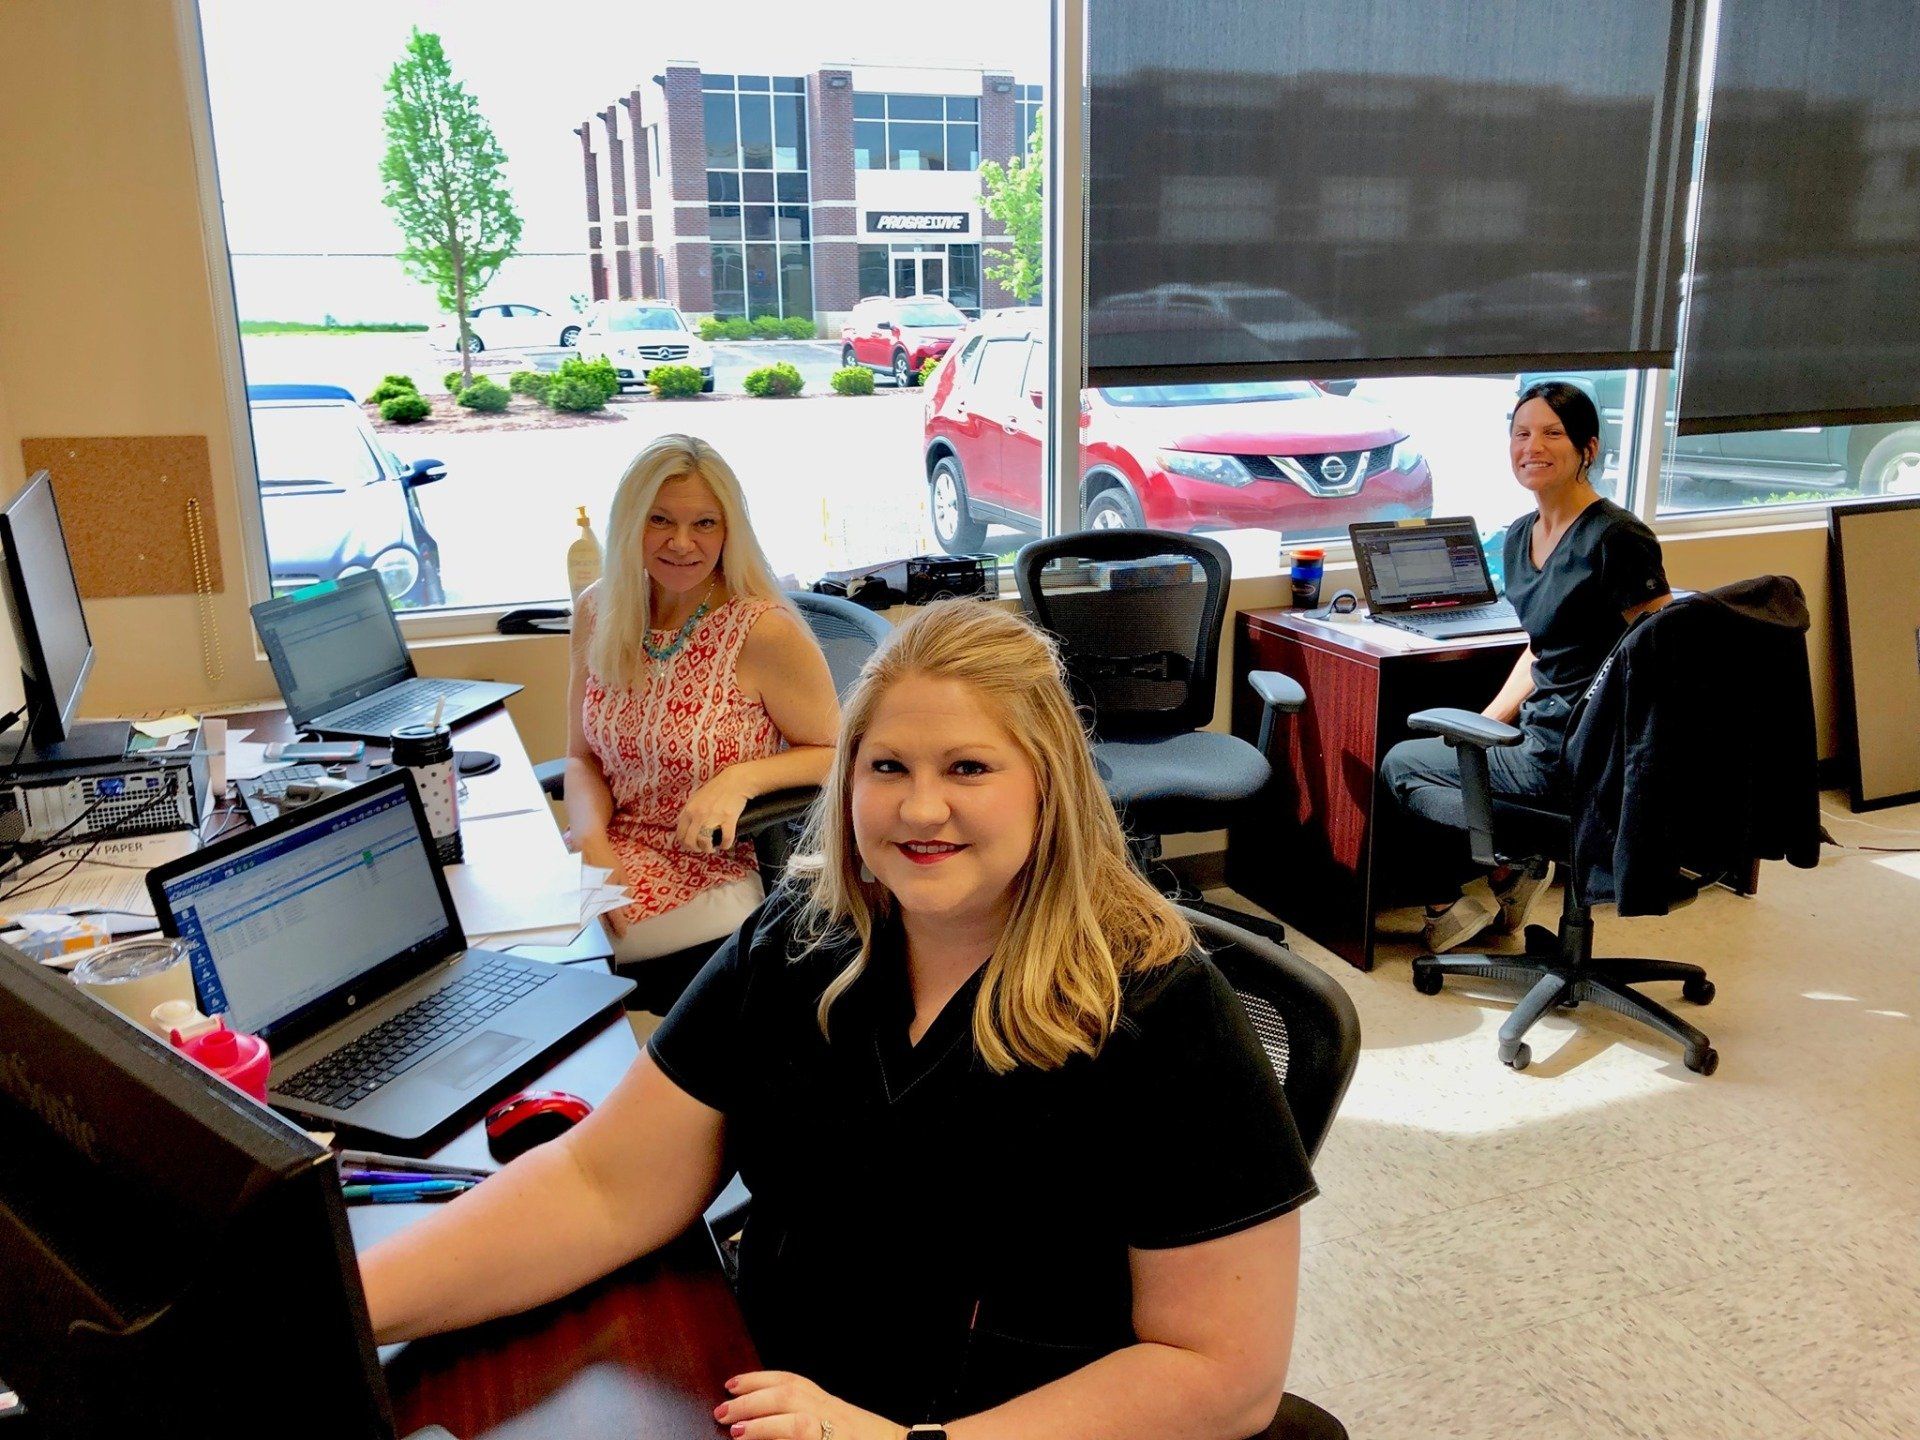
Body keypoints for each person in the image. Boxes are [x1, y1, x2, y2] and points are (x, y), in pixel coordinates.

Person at [364, 601, 1315, 1440]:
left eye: (969, 767)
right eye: (887, 765)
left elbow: (1221, 1378)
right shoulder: (805, 939)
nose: (920, 806)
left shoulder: (1159, 1005)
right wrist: (340, 1307)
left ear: (1047, 785)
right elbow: (604, 1184)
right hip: (779, 1390)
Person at [1381, 380, 1672, 952]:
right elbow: (1542, 649)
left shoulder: (1618, 539)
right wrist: (1483, 723)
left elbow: (1658, 649)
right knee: (1449, 744)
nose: (1531, 446)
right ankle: (1508, 873)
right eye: (1521, 434)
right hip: (1542, 733)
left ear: (1587, 448)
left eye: (1551, 433)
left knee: (1402, 762)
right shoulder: (1520, 537)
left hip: (1583, 752)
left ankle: (1458, 898)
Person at [565, 433, 838, 970]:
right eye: (660, 520)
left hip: (715, 866)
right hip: (609, 846)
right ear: (630, 523)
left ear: (729, 530)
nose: (682, 543)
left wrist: (738, 780)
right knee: (490, 939)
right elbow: (579, 757)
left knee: (561, 968)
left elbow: (842, 753)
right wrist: (593, 842)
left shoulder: (762, 630)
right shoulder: (599, 610)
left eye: (704, 523)